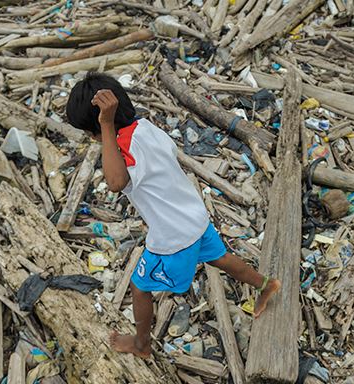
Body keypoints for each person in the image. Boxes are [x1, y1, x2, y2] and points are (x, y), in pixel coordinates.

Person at [66, 72, 281, 358]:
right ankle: (266, 285)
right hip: (193, 215)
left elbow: (116, 183)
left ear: (100, 126)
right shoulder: (143, 127)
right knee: (219, 258)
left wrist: (105, 126)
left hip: (174, 235)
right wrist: (109, 126)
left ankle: (142, 345)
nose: (93, 138)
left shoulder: (124, 146)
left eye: (89, 132)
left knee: (140, 287)